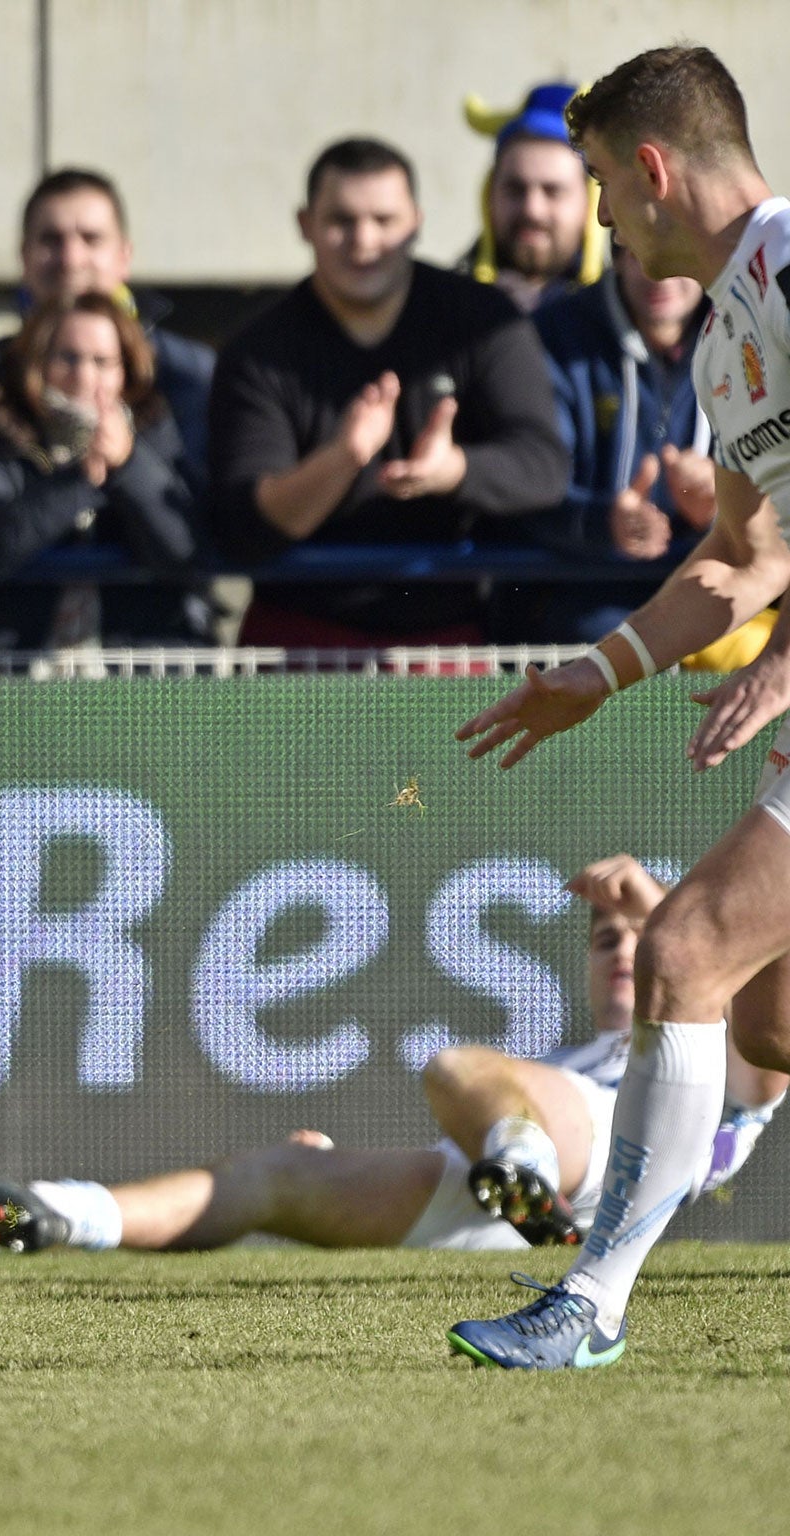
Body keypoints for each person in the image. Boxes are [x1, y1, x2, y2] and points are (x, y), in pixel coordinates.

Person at [453, 46, 790, 1369]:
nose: (598, 217)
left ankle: (588, 1305)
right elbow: (748, 556)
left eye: (601, 184)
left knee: (689, 951)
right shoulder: (730, 343)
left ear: (651, 170)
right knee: (762, 1019)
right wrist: (594, 676)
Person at [0, 856, 783, 1257]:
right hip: (510, 1217)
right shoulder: (571, 1056)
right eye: (604, 940)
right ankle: (51, 1214)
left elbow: (758, 1013)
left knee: (458, 1072)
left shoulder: (724, 1050)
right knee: (281, 1176)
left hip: (610, 1163)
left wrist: (664, 906)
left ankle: (518, 1170)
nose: (623, 951)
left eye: (641, 938)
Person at [208, 138, 569, 648]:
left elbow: (544, 468)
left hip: (444, 638)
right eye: (341, 221)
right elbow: (245, 524)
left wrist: (452, 471)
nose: (364, 240)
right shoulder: (257, 351)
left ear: (416, 222)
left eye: (384, 220)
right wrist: (343, 457)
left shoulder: (484, 324)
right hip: (296, 639)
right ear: (305, 224)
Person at [0, 168, 213, 496]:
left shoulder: (194, 375)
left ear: (124, 256)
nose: (70, 259)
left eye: (91, 239)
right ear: (24, 256)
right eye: (51, 239)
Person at [0, 292, 207, 649]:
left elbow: (187, 552)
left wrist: (127, 465)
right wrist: (82, 480)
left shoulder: (155, 431)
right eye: (67, 358)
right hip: (19, 681)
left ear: (126, 370)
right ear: (38, 363)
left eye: (102, 362)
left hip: (142, 679)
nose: (84, 377)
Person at [491, 243, 713, 642]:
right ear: (616, 253)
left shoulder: (750, 329)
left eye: (674, 250)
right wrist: (603, 524)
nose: (656, 272)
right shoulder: (553, 335)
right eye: (636, 250)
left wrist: (719, 508)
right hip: (584, 604)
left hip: (715, 594)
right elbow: (525, 488)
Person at [464, 83, 602, 313]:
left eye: (553, 191)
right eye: (515, 189)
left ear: (590, 200)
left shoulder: (622, 317)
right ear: (489, 194)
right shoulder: (443, 309)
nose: (532, 210)